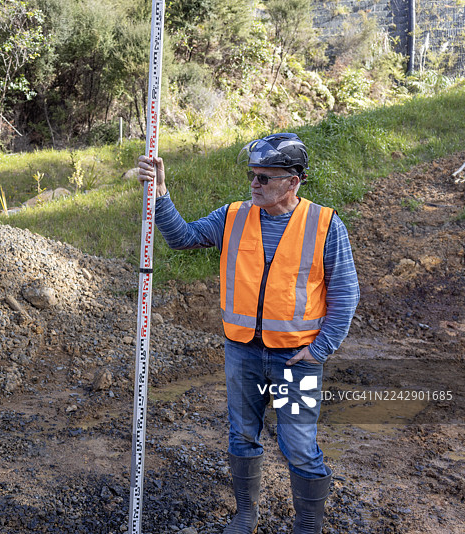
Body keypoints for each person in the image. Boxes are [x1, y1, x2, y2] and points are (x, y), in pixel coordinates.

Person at [137, 133, 359, 534]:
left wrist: (320, 349)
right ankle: (245, 515)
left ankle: (308, 525)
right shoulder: (233, 216)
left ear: (293, 181)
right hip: (242, 352)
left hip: (296, 359)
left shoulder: (325, 224)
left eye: (264, 177)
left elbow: (345, 292)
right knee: (242, 436)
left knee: (300, 447)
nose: (254, 184)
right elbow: (181, 238)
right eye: (251, 175)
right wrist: (162, 193)